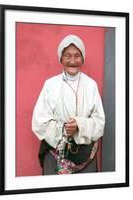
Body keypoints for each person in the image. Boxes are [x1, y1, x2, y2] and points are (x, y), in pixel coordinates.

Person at [32, 34, 105, 175]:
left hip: (85, 156)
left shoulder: (91, 85)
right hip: (55, 156)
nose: (72, 61)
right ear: (61, 58)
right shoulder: (50, 85)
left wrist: (79, 125)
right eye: (67, 56)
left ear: (83, 57)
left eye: (77, 55)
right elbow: (39, 122)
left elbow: (99, 123)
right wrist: (64, 129)